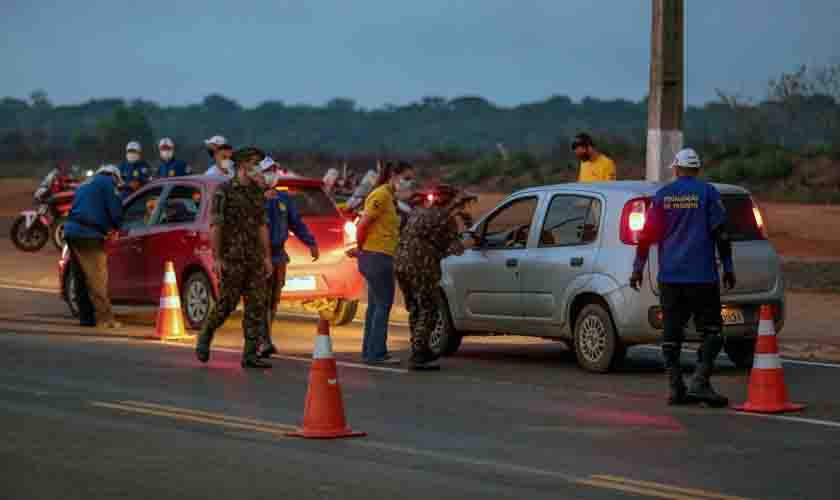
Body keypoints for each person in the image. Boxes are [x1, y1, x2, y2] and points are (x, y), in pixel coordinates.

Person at [630, 148, 736, 407]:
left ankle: (675, 387)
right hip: (702, 277)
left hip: (671, 277)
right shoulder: (708, 193)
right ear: (697, 170)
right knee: (712, 332)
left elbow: (645, 236)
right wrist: (729, 267)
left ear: (675, 169)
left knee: (671, 333)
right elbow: (721, 234)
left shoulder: (663, 196)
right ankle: (700, 382)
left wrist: (637, 268)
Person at [196, 147, 274, 369]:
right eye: (253, 162)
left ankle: (250, 354)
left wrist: (267, 257)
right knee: (226, 304)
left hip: (255, 259)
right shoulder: (224, 191)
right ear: (241, 166)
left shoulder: (257, 192)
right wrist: (217, 258)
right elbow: (216, 226)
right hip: (232, 257)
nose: (257, 167)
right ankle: (206, 334)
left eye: (259, 162)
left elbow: (262, 227)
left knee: (257, 304)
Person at [395, 185, 476, 370]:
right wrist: (469, 234)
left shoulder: (419, 212)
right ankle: (419, 354)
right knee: (429, 308)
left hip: (400, 264)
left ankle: (419, 347)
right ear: (452, 202)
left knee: (415, 307)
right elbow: (456, 249)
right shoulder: (446, 219)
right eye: (461, 203)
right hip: (421, 265)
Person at [348, 161, 416, 365]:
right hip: (377, 256)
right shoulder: (381, 196)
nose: (408, 183)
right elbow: (362, 225)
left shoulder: (389, 197)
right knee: (383, 305)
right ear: (393, 175)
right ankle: (376, 352)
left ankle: (370, 351)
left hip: (379, 255)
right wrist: (360, 248)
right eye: (406, 178)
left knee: (375, 305)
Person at [258, 156, 320, 358]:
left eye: (274, 170)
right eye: (267, 170)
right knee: (261, 298)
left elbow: (297, 223)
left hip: (279, 256)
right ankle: (261, 340)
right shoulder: (254, 200)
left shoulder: (284, 199)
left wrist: (310, 242)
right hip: (259, 257)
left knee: (274, 299)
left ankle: (265, 338)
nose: (272, 174)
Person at [63, 165, 124, 328]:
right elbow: (115, 211)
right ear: (115, 177)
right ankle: (106, 319)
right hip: (88, 234)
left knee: (80, 277)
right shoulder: (108, 184)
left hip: (71, 231)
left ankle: (86, 318)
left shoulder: (85, 184)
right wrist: (117, 227)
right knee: (98, 278)